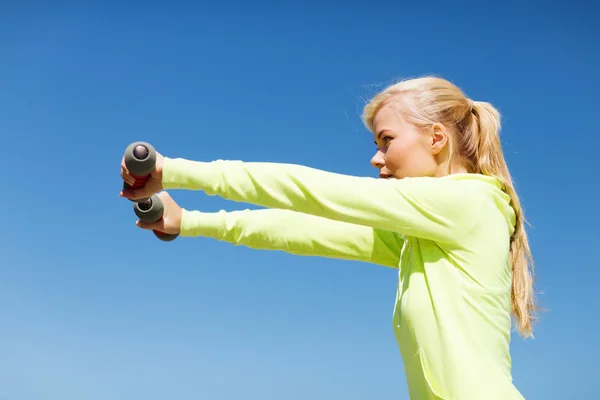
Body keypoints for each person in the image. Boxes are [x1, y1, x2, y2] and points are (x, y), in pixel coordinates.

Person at [120, 76, 537, 399]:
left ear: (436, 138)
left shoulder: (470, 203)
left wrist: (174, 172)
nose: (376, 158)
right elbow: (307, 230)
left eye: (386, 141)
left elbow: (312, 191)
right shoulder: (423, 237)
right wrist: (191, 221)